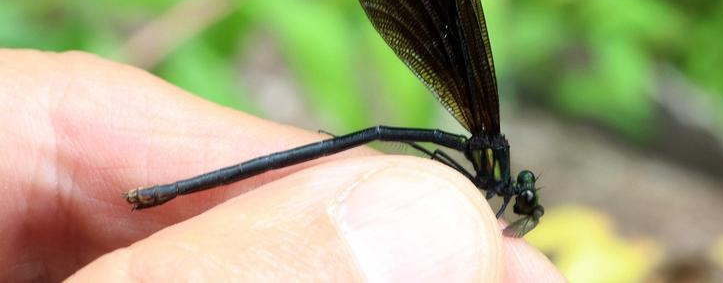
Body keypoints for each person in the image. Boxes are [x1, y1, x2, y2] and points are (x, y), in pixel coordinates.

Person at [0, 50, 564, 282]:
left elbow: (437, 158)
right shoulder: (492, 160)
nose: (516, 200)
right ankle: (160, 193)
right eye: (521, 197)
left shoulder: (487, 160)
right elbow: (435, 161)